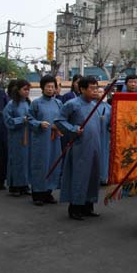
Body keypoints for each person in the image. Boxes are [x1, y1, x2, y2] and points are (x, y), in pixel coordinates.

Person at [55, 76, 102, 220]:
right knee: (79, 176)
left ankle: (88, 206)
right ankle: (75, 207)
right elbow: (59, 121)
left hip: (94, 146)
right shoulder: (72, 104)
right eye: (92, 88)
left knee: (93, 176)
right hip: (80, 146)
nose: (95, 91)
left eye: (96, 88)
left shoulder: (95, 105)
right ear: (82, 89)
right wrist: (73, 129)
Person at [28, 75, 63, 206]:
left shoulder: (58, 103)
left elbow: (62, 119)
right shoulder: (36, 103)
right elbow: (29, 119)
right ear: (42, 88)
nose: (50, 89)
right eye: (47, 86)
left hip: (55, 140)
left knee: (53, 164)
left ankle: (48, 192)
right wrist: (39, 123)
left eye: (52, 87)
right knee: (40, 164)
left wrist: (59, 126)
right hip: (41, 140)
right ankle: (37, 194)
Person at [3, 79, 32, 197]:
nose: (27, 92)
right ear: (18, 90)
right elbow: (7, 120)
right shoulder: (11, 104)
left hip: (28, 135)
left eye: (28, 90)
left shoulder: (28, 103)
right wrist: (21, 120)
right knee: (16, 160)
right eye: (25, 89)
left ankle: (24, 184)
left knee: (26, 160)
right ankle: (14, 185)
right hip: (16, 136)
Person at [97, 86, 111, 185]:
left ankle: (104, 177)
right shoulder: (91, 105)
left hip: (105, 135)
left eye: (102, 92)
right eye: (99, 92)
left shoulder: (109, 107)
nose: (101, 94)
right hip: (95, 135)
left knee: (105, 156)